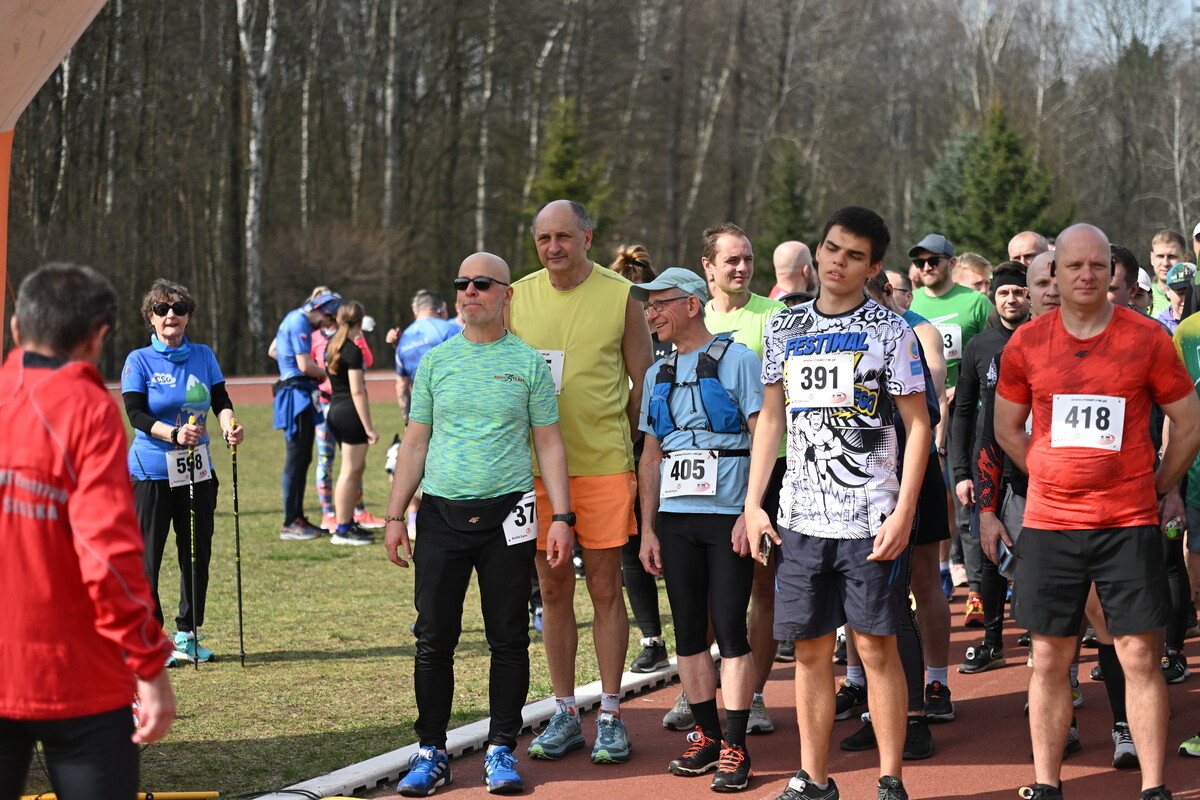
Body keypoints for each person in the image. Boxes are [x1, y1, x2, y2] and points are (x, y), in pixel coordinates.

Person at [994, 223, 1200, 800]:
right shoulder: (1028, 343)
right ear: (1054, 276)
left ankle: (1155, 787)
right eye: (1074, 266)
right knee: (1048, 655)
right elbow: (1006, 429)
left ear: (1113, 274)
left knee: (1138, 652)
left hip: (1127, 523)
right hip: (1051, 524)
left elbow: (1189, 423)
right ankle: (1046, 783)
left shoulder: (1147, 339)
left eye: (1097, 266)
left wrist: (1158, 485)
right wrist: (1053, 475)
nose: (1086, 275)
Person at [747, 206, 931, 800]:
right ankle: (814, 779)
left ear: (873, 266)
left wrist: (904, 511)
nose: (837, 263)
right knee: (808, 651)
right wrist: (754, 504)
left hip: (870, 517)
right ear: (817, 252)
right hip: (800, 518)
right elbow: (771, 418)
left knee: (876, 648)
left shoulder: (891, 330)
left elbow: (919, 424)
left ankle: (889, 779)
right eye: (831, 249)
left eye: (853, 255)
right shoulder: (782, 328)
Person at [385, 252, 573, 796]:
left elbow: (549, 443)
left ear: (506, 294)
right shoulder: (437, 363)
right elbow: (415, 442)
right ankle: (430, 751)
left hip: (508, 516)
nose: (470, 291)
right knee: (433, 638)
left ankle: (500, 750)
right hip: (441, 514)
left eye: (482, 284)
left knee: (508, 638)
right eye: (462, 283)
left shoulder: (529, 364)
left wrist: (562, 517)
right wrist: (396, 515)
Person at [0, 263, 176, 800]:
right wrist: (148, 662)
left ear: (14, 328)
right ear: (99, 336)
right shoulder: (86, 408)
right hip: (78, 679)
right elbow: (108, 557)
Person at [509, 199, 653, 765]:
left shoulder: (621, 296)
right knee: (551, 592)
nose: (553, 248)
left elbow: (643, 380)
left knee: (605, 588)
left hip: (603, 467)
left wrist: (636, 449)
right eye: (544, 238)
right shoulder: (517, 296)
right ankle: (566, 710)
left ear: (587, 239)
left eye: (564, 237)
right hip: (537, 474)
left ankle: (612, 712)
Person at [633, 267, 762, 792]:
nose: (650, 314)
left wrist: (750, 512)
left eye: (659, 303)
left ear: (690, 304)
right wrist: (647, 529)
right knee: (688, 631)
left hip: (728, 517)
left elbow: (764, 437)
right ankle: (707, 736)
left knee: (729, 627)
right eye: (648, 306)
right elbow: (649, 456)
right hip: (675, 519)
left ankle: (736, 744)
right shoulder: (655, 373)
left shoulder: (739, 360)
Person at [121, 278, 245, 666]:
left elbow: (221, 399)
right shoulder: (137, 360)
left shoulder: (203, 355)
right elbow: (136, 414)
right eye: (161, 309)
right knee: (148, 558)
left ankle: (188, 633)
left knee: (196, 553)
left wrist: (228, 426)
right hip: (151, 470)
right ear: (151, 318)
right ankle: (148, 639)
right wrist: (174, 433)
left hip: (196, 469)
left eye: (178, 308)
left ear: (188, 315)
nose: (170, 315)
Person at [700, 223, 786, 735]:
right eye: (731, 260)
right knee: (705, 586)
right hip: (703, 475)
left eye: (748, 259)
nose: (742, 268)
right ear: (707, 267)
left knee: (762, 582)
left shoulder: (775, 318)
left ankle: (751, 694)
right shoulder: (693, 315)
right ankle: (702, 693)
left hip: (765, 469)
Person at [950, 264, 1030, 675]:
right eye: (1004, 294)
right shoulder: (979, 346)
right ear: (993, 299)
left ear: (1029, 296)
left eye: (1019, 292)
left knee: (1039, 549)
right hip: (990, 464)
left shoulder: (1043, 339)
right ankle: (993, 641)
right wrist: (962, 471)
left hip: (1037, 463)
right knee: (990, 551)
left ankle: (1039, 630)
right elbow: (962, 411)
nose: (1011, 299)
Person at [609, 244, 672, 674]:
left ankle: (676, 636)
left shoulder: (672, 337)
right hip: (632, 448)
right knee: (634, 547)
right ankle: (652, 638)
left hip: (677, 454)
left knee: (667, 547)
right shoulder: (613, 339)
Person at [274, 288, 343, 540]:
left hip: (300, 393)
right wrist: (326, 374)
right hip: (296, 395)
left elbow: (275, 349)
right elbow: (304, 365)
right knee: (296, 459)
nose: (327, 326)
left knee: (303, 459)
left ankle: (297, 518)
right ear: (324, 313)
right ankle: (290, 521)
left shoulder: (295, 319)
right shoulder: (300, 320)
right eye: (330, 320)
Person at [311, 294, 384, 532]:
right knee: (350, 471)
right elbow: (358, 391)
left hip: (334, 411)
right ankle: (343, 527)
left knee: (354, 470)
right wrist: (369, 427)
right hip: (349, 413)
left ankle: (348, 522)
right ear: (359, 322)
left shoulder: (333, 345)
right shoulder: (351, 349)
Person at [1148, 229, 1186, 316]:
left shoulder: (1193, 296)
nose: (1165, 263)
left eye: (1172, 257)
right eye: (1160, 256)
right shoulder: (1140, 295)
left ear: (1185, 258)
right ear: (1152, 258)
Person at [1156, 263, 1195, 334]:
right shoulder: (1159, 327)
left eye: (1192, 293)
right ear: (1167, 292)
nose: (1186, 299)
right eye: (1180, 293)